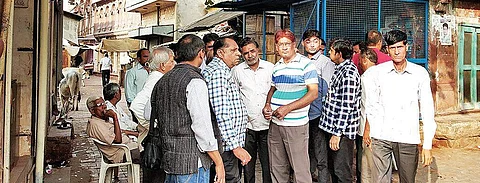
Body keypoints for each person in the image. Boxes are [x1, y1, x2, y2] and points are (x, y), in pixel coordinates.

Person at [150, 34, 225, 183]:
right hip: (192, 164)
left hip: (170, 160)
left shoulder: (162, 80)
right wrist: (218, 161)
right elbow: (202, 127)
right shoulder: (195, 81)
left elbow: (149, 113)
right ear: (201, 53)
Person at [368, 30, 436, 183]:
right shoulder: (378, 73)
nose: (397, 51)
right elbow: (372, 105)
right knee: (380, 180)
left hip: (407, 137)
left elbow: (427, 109)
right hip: (382, 136)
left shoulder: (419, 74)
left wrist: (427, 145)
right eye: (393, 48)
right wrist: (373, 132)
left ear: (407, 47)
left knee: (407, 179)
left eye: (400, 47)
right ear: (387, 50)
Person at [263, 29, 318, 183]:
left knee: (300, 169)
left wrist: (288, 108)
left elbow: (313, 93)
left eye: (287, 44)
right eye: (281, 45)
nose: (284, 47)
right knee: (277, 167)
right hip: (275, 123)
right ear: (276, 47)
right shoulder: (277, 66)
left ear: (294, 45)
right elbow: (273, 88)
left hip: (296, 125)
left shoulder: (306, 64)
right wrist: (267, 105)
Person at [202, 37, 251, 183]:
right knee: (230, 179)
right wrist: (235, 146)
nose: (238, 54)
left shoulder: (223, 70)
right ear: (221, 53)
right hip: (225, 146)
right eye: (233, 50)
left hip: (227, 144)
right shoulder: (218, 73)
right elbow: (221, 112)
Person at [317, 38, 361, 183]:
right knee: (334, 169)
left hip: (342, 131)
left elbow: (346, 106)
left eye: (331, 51)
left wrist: (337, 134)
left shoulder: (348, 73)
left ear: (339, 53)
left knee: (342, 171)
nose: (329, 53)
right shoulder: (340, 68)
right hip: (333, 128)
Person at [231, 37, 273, 183]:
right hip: (247, 127)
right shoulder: (237, 71)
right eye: (246, 53)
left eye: (252, 51)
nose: (250, 55)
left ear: (258, 50)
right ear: (242, 55)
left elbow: (276, 91)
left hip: (267, 125)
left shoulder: (270, 68)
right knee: (247, 164)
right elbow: (234, 96)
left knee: (268, 164)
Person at [301, 29, 335, 181]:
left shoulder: (325, 62)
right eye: (309, 41)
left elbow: (328, 93)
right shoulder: (300, 61)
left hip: (318, 115)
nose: (312, 45)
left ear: (320, 43)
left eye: (315, 41)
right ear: (303, 43)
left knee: (321, 154)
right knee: (305, 153)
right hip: (301, 115)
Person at [85, 96, 140, 182]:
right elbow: (118, 140)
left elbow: (120, 131)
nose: (104, 107)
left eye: (104, 104)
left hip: (128, 146)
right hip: (122, 152)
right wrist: (115, 117)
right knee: (152, 155)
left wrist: (135, 133)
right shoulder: (95, 125)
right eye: (100, 105)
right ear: (92, 110)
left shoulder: (102, 120)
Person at [130, 46, 175, 146]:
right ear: (162, 65)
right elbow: (136, 106)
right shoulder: (156, 79)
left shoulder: (159, 77)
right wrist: (154, 126)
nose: (174, 64)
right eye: (171, 62)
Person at [357, 49, 378, 183]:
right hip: (378, 127)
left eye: (360, 61)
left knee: (369, 165)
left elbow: (371, 105)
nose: (359, 64)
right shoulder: (383, 74)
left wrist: (367, 130)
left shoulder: (367, 78)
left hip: (368, 128)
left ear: (365, 60)